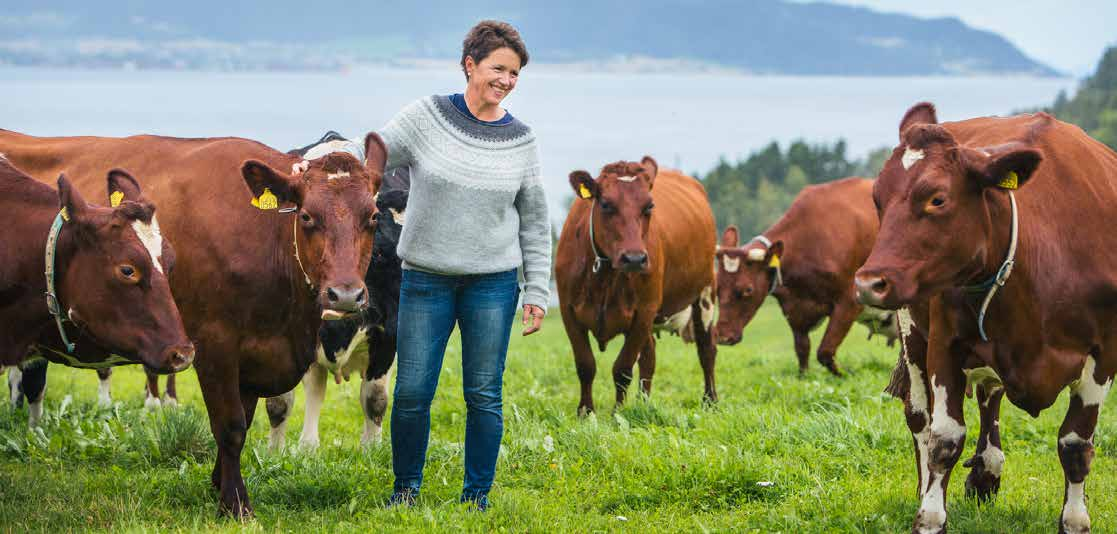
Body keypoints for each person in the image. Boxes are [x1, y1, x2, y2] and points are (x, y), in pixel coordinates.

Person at [298, 20, 549, 510]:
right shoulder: (426, 117)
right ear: (470, 65)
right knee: (411, 392)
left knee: (483, 395)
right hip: (426, 279)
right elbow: (371, 151)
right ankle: (405, 491)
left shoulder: (521, 139)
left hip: (493, 285)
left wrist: (537, 290)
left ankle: (476, 497)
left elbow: (535, 222)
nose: (507, 80)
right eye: (499, 68)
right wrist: (311, 162)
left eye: (515, 73)